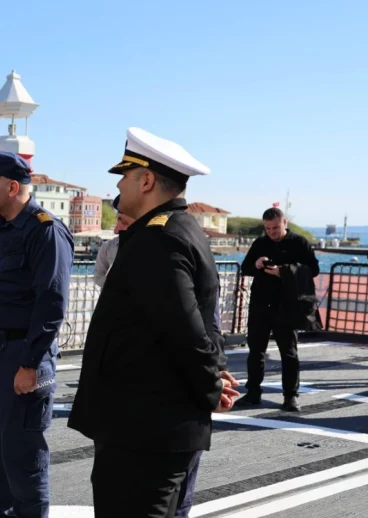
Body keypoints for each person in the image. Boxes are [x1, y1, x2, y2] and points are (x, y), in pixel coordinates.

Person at [67, 127, 239, 517]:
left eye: (125, 176)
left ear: (146, 180)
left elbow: (185, 330)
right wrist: (214, 374)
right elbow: (202, 322)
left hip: (144, 432)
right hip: (151, 426)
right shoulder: (178, 230)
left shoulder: (158, 239)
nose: (119, 185)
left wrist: (212, 385)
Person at [0, 150, 74, 518]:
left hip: (22, 354)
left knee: (23, 455)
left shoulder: (45, 231)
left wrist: (30, 363)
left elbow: (51, 303)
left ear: (11, 187)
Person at [235, 207, 320, 412]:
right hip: (261, 303)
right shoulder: (260, 243)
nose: (271, 232)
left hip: (287, 304)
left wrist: (284, 271)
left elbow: (313, 269)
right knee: (256, 351)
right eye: (267, 228)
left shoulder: (299, 243)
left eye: (275, 228)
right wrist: (256, 264)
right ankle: (253, 392)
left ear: (284, 223)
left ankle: (290, 396)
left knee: (289, 353)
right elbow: (245, 268)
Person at [93, 195, 135, 288]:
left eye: (124, 222)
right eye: (118, 220)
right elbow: (98, 276)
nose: (116, 230)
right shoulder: (108, 247)